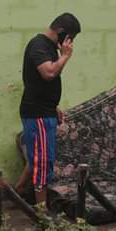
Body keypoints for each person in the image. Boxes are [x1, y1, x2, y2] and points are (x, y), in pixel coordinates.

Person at [15, 12, 81, 207]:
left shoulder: (48, 47)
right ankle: (41, 212)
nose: (70, 43)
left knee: (38, 155)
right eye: (70, 37)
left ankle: (19, 190)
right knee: (43, 162)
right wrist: (65, 56)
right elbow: (49, 73)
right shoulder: (39, 45)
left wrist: (53, 105)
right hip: (38, 113)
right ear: (61, 31)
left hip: (45, 110)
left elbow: (39, 83)